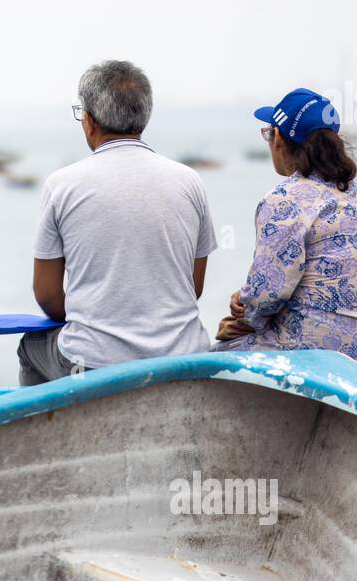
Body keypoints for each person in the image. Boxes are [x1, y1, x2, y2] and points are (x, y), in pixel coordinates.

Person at [18, 60, 218, 385]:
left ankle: (44, 434)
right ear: (144, 116)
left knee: (30, 348)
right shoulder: (189, 181)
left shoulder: (62, 184)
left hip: (92, 363)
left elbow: (47, 295)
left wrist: (95, 320)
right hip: (184, 358)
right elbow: (192, 287)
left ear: (90, 121)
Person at [213, 88, 357, 380]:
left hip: (311, 360)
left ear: (279, 139)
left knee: (210, 361)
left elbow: (267, 295)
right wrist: (252, 300)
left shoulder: (285, 199)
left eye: (269, 133)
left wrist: (243, 304)